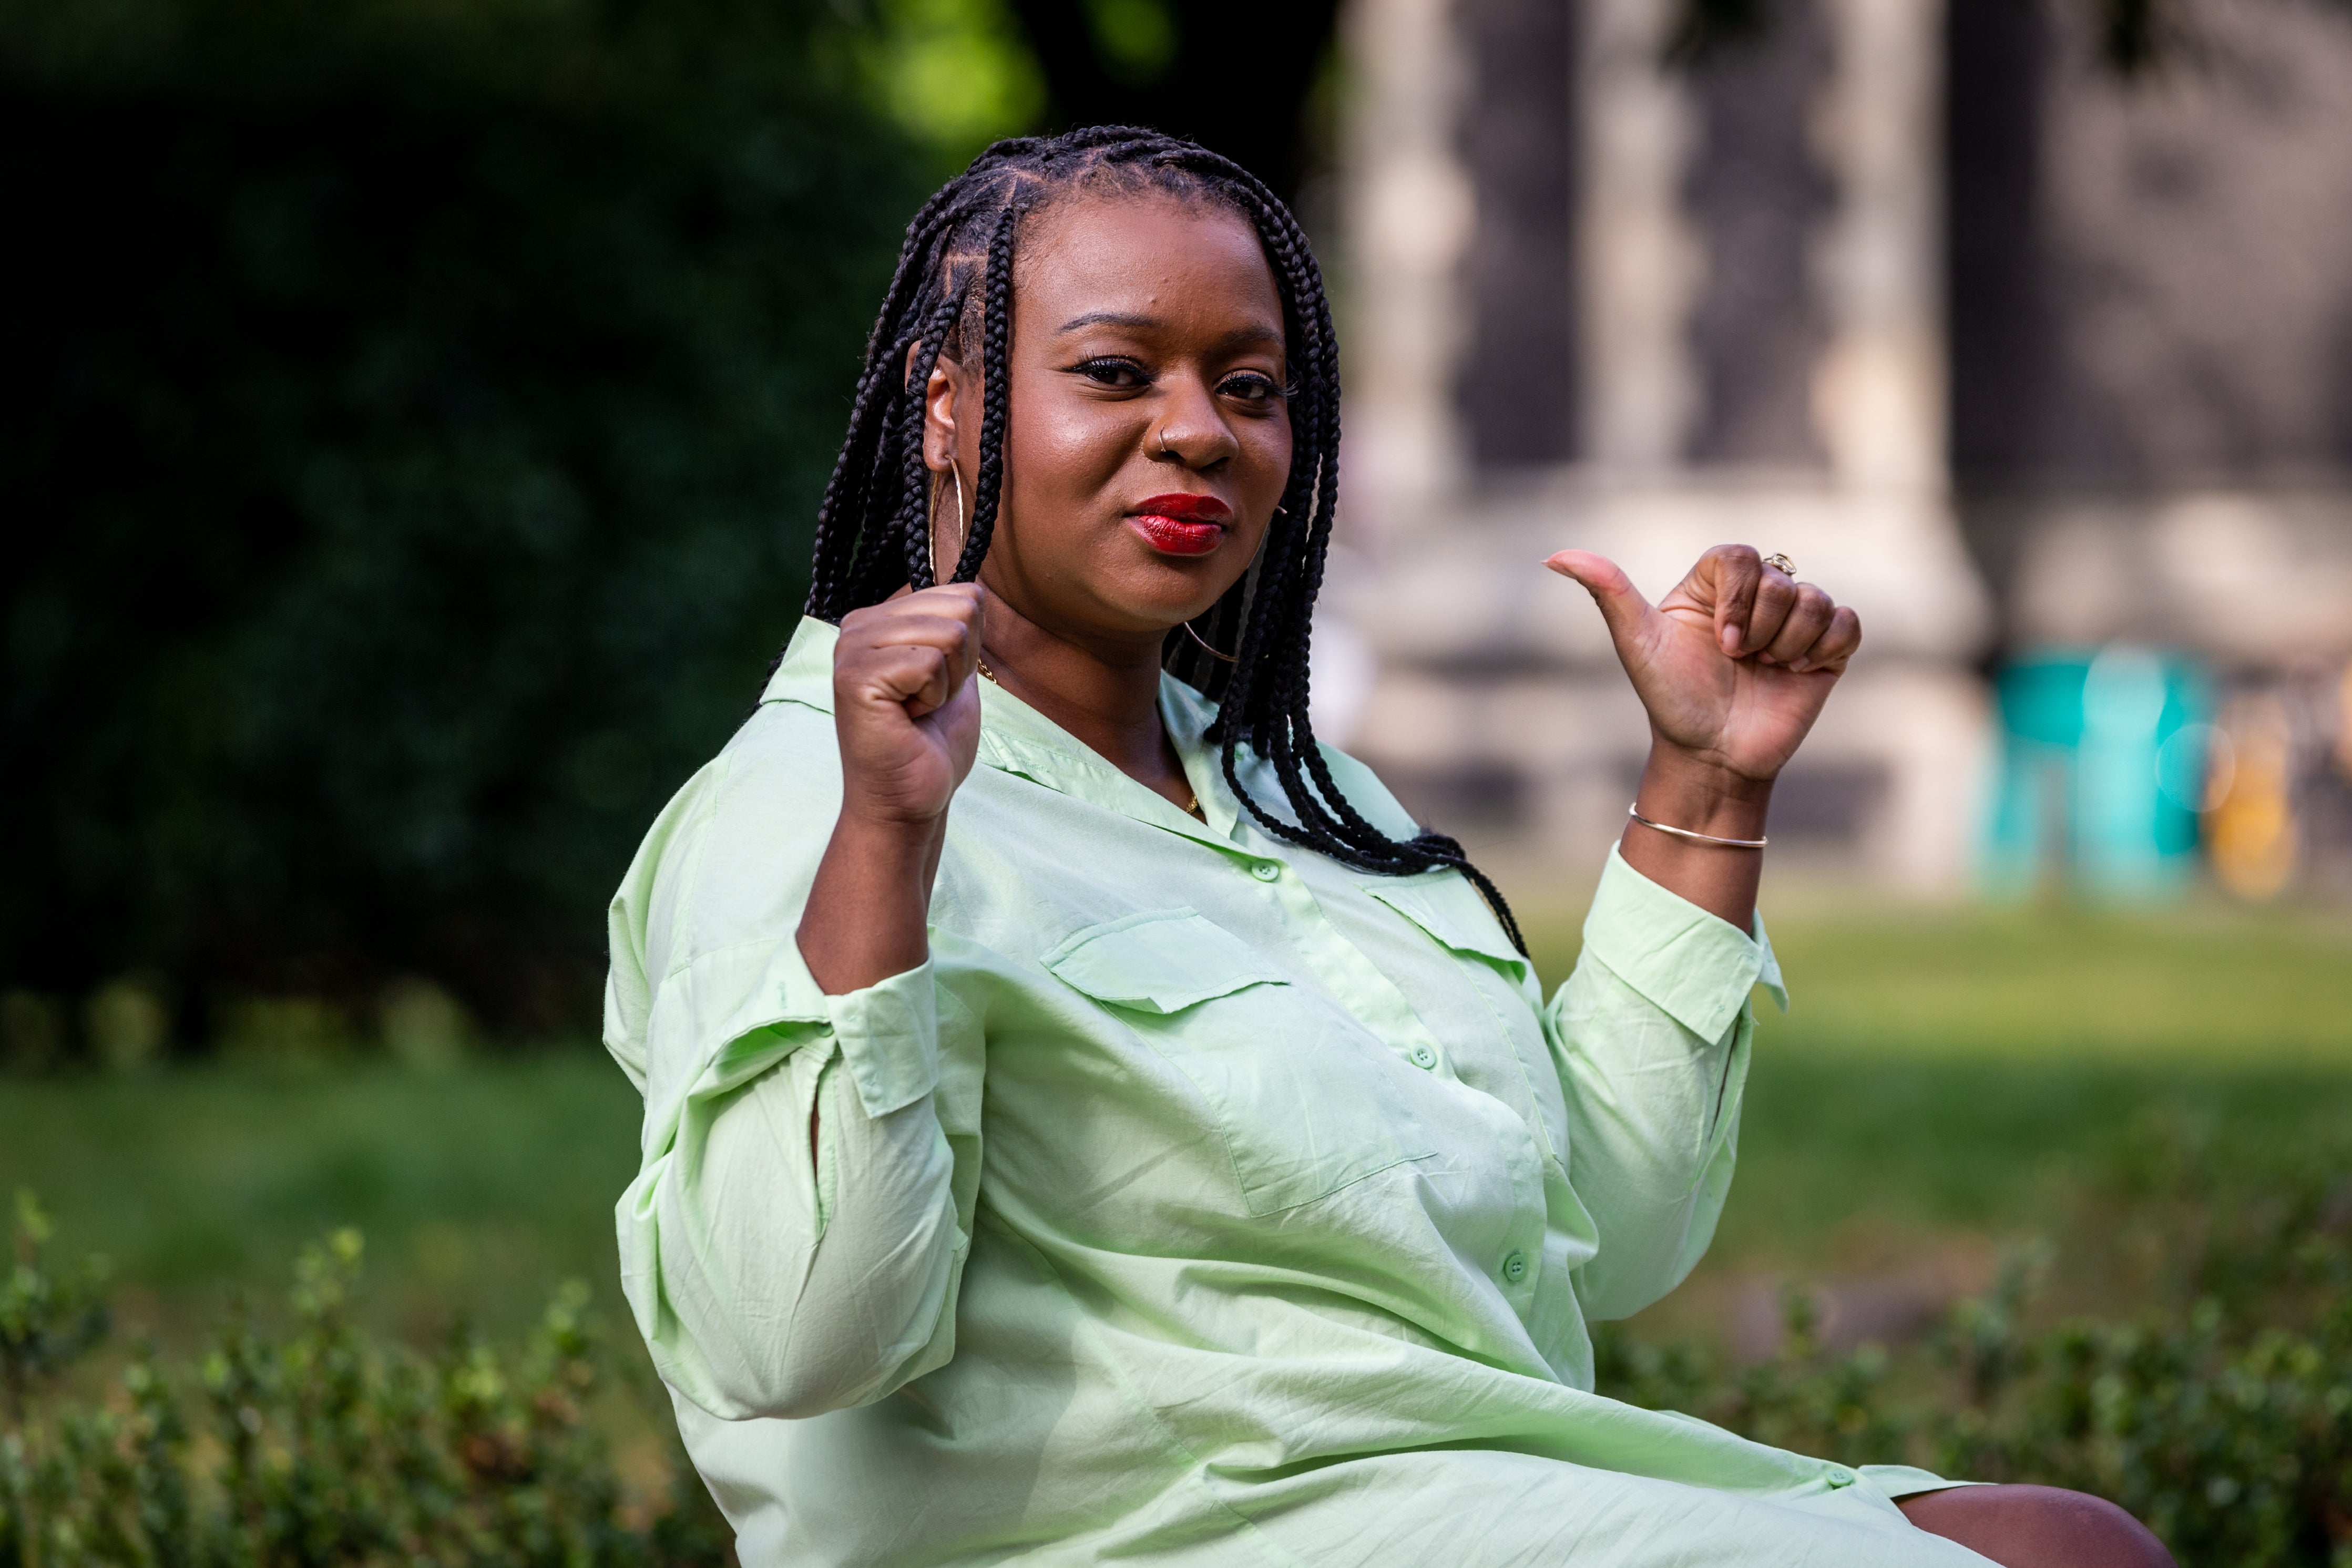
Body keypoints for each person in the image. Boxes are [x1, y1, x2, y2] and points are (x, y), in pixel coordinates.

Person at [604, 127, 2172, 1568]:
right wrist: (888, 838)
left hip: (1477, 1483)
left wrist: (1705, 784)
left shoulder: (1300, 796)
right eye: (1113, 371)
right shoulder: (807, 801)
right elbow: (792, 1341)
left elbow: (1609, 1239)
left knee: (2061, 1540)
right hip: (1161, 1541)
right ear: (946, 401)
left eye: (1250, 385)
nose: (1198, 433)